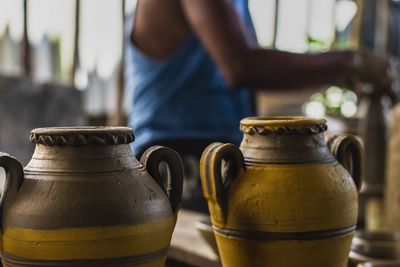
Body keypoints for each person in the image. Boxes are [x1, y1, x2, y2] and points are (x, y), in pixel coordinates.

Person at [124, 0, 394, 213]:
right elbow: (240, 67)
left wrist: (336, 74)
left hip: (218, 153)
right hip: (174, 161)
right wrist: (348, 63)